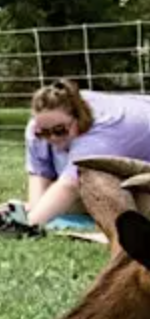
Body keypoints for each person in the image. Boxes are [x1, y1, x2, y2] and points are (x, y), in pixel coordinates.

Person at [13, 79, 150, 226]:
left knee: (132, 208)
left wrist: (28, 225)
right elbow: (39, 173)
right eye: (43, 132)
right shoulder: (36, 127)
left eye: (60, 130)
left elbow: (70, 185)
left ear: (78, 119)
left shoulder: (100, 134)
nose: (51, 137)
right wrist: (34, 210)